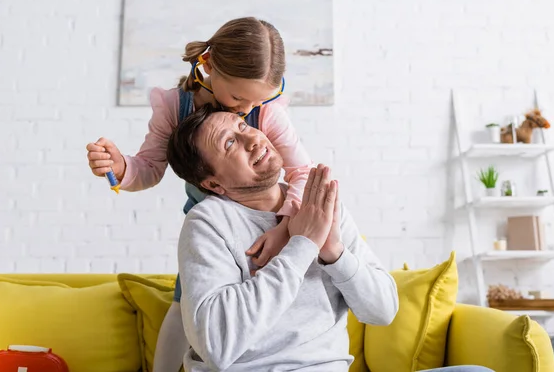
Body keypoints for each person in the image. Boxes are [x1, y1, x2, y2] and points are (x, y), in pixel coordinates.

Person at [166, 107, 494, 372]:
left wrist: (333, 252)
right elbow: (216, 345)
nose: (251, 139)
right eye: (228, 144)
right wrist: (302, 246)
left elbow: (382, 311)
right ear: (213, 185)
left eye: (243, 126)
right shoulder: (207, 223)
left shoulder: (318, 205)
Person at [85, 17, 313, 372]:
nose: (246, 110)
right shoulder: (175, 108)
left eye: (259, 99)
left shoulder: (265, 113)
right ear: (207, 65)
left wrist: (284, 229)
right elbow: (148, 168)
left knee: (269, 305)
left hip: (269, 227)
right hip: (211, 235)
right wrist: (120, 167)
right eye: (238, 97)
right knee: (186, 306)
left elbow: (303, 173)